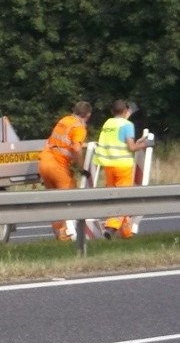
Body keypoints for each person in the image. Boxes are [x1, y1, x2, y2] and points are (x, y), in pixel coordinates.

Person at [94, 99, 151, 239]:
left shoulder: (107, 123)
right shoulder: (127, 125)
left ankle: (126, 234)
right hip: (123, 166)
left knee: (114, 198)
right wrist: (146, 144)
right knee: (123, 200)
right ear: (126, 111)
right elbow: (131, 147)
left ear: (112, 111)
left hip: (108, 165)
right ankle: (111, 227)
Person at [38, 101, 92, 240]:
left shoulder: (64, 120)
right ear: (88, 115)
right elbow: (76, 149)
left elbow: (62, 142)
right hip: (57, 166)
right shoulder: (79, 127)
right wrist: (82, 168)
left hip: (44, 161)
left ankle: (58, 232)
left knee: (54, 201)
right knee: (69, 197)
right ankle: (65, 235)